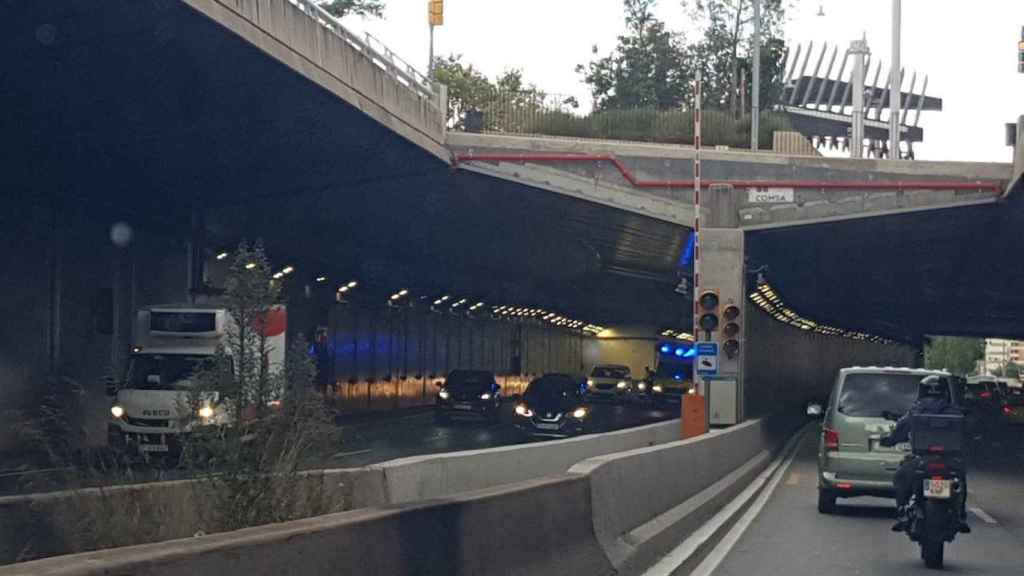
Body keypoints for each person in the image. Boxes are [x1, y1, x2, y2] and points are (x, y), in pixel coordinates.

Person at [881, 375, 970, 533]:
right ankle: (961, 515)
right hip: (949, 461)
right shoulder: (954, 410)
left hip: (922, 460)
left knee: (900, 477)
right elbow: (965, 431)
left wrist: (889, 440)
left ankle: (902, 512)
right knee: (960, 478)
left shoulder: (916, 410)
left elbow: (902, 428)